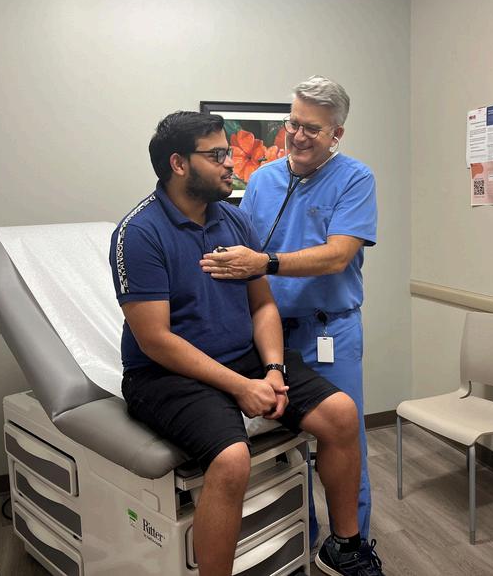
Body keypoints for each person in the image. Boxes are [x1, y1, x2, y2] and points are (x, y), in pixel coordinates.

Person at [110, 111, 385, 576]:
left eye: (227, 152)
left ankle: (344, 548)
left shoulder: (234, 222)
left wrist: (273, 369)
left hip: (244, 358)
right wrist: (240, 387)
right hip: (164, 375)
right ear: (179, 163)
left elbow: (262, 306)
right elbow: (154, 341)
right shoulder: (139, 233)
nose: (229, 163)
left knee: (341, 415)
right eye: (217, 155)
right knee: (232, 458)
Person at [199, 76, 377, 547]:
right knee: (285, 449)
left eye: (312, 129)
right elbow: (244, 246)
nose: (297, 136)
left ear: (336, 134)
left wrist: (266, 263)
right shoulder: (262, 180)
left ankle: (351, 547)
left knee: (345, 439)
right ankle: (302, 538)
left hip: (329, 333)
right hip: (271, 336)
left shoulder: (355, 179)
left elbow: (337, 256)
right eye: (293, 123)